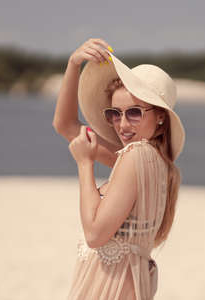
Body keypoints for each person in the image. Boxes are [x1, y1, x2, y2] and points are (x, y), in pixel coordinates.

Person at [52, 38, 186, 300]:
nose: (122, 125)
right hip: (120, 283)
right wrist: (73, 65)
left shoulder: (135, 156)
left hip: (109, 287)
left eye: (134, 113)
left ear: (160, 116)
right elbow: (66, 125)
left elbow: (95, 234)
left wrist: (84, 164)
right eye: (115, 114)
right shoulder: (151, 159)